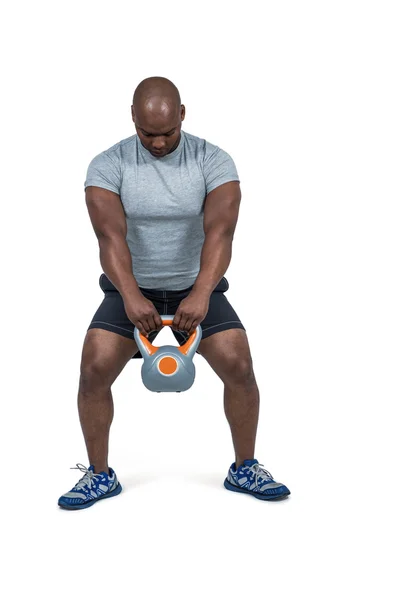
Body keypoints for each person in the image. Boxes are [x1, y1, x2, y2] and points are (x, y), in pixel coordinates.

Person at [58, 76, 290, 510]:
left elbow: (220, 233)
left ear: (183, 115)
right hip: (131, 289)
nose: (159, 143)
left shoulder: (213, 160)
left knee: (240, 364)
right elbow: (111, 238)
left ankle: (244, 468)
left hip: (196, 286)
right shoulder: (108, 165)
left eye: (167, 133)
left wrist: (202, 293)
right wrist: (130, 295)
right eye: (149, 134)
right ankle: (99, 475)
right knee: (93, 368)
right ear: (133, 119)